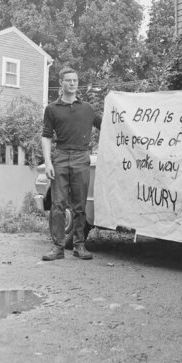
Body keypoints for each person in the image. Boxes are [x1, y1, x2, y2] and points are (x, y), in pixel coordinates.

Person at [41, 67, 101, 261]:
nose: (72, 83)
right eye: (68, 80)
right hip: (59, 157)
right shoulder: (51, 109)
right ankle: (58, 247)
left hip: (81, 157)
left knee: (80, 205)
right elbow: (46, 136)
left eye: (75, 80)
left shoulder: (88, 109)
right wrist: (48, 162)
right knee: (58, 204)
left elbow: (108, 127)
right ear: (61, 83)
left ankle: (79, 245)